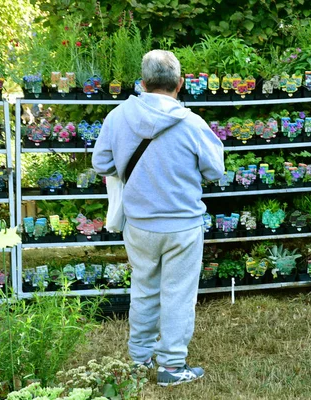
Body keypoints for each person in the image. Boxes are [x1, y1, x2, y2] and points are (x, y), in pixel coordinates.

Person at [92, 49, 224, 386]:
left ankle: (139, 360)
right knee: (178, 294)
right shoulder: (192, 123)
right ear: (180, 84)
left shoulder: (118, 117)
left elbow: (101, 164)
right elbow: (215, 171)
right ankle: (171, 367)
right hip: (182, 224)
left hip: (139, 223)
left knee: (144, 290)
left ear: (142, 83)